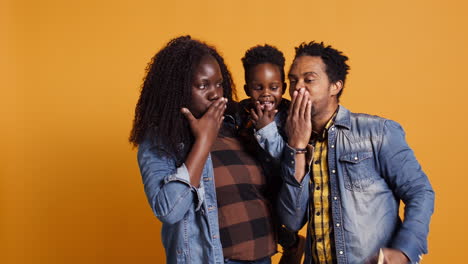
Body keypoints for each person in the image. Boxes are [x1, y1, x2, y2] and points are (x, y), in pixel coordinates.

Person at [255, 41, 435, 264]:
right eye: (293, 80)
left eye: (309, 80)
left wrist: (405, 250)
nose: (297, 88)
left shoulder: (378, 132)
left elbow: (420, 192)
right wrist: (297, 147)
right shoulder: (290, 141)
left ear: (335, 86)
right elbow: (292, 221)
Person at [129, 36, 276, 264]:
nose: (215, 93)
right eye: (203, 85)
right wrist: (204, 141)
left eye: (219, 83)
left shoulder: (236, 127)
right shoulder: (161, 142)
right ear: (177, 90)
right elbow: (169, 210)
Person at [239, 44, 305, 264]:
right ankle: (289, 245)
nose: (266, 93)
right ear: (247, 89)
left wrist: (266, 129)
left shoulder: (290, 114)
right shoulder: (241, 114)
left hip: (282, 184)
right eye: (258, 87)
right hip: (254, 186)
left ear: (284, 87)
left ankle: (293, 246)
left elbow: (288, 158)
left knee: (281, 223)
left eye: (274, 87)